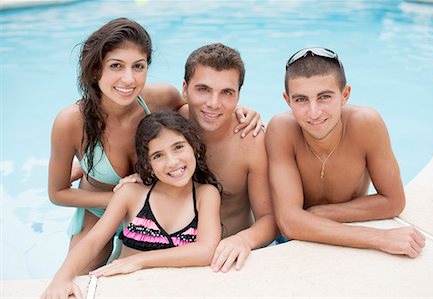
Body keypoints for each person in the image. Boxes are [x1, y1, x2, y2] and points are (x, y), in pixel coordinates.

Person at [49, 18, 262, 273]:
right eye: (116, 66)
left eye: (138, 66)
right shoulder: (71, 121)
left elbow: (203, 111)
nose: (128, 79)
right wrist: (124, 201)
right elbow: (57, 193)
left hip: (155, 211)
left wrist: (237, 109)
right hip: (99, 208)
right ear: (95, 69)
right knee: (77, 277)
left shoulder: (161, 98)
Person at [42, 110, 222, 299]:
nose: (172, 162)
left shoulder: (205, 194)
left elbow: (206, 250)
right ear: (148, 164)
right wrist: (61, 277)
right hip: (124, 290)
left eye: (178, 147)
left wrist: (140, 260)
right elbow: (94, 241)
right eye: (158, 155)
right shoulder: (131, 194)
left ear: (194, 146)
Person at [265, 47, 426, 257]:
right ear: (288, 100)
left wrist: (317, 214)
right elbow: (289, 224)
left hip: (326, 227)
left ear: (345, 95)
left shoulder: (366, 124)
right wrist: (380, 238)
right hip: (293, 242)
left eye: (324, 97)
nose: (314, 113)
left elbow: (394, 201)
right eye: (301, 99)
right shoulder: (281, 130)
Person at [179, 43, 278, 272]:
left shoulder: (251, 141)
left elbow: (270, 218)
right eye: (203, 89)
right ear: (185, 89)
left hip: (227, 260)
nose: (214, 103)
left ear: (238, 96)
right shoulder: (167, 126)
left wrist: (244, 240)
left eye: (226, 92)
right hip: (172, 252)